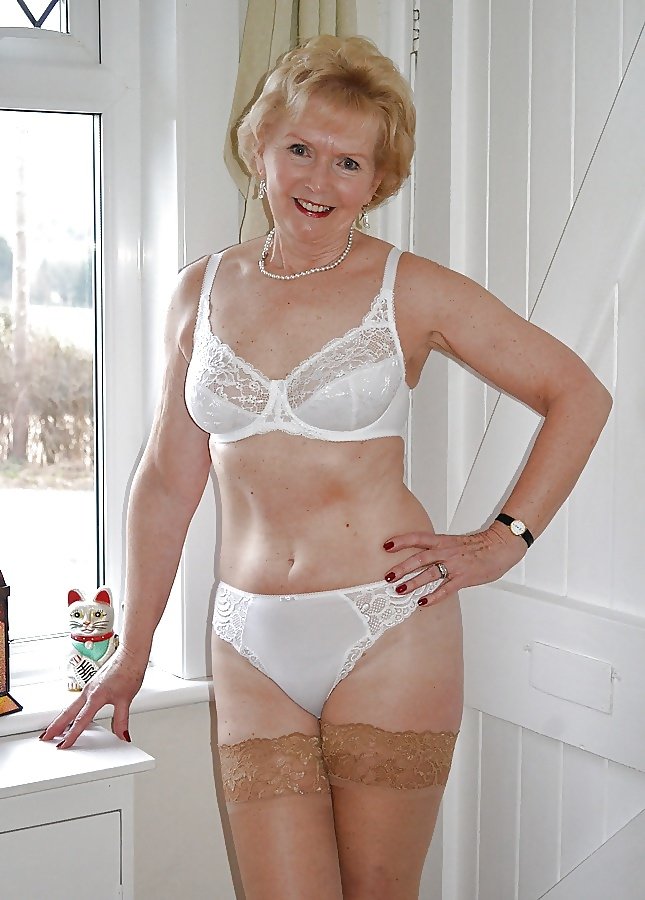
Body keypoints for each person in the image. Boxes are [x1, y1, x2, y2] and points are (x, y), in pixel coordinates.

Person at [40, 35, 612, 900]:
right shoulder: (200, 290)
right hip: (246, 636)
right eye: (300, 149)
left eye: (349, 162)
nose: (318, 180)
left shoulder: (408, 288)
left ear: (377, 180)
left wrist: (504, 540)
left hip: (386, 627)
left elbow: (577, 393)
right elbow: (165, 480)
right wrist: (133, 648)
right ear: (259, 148)